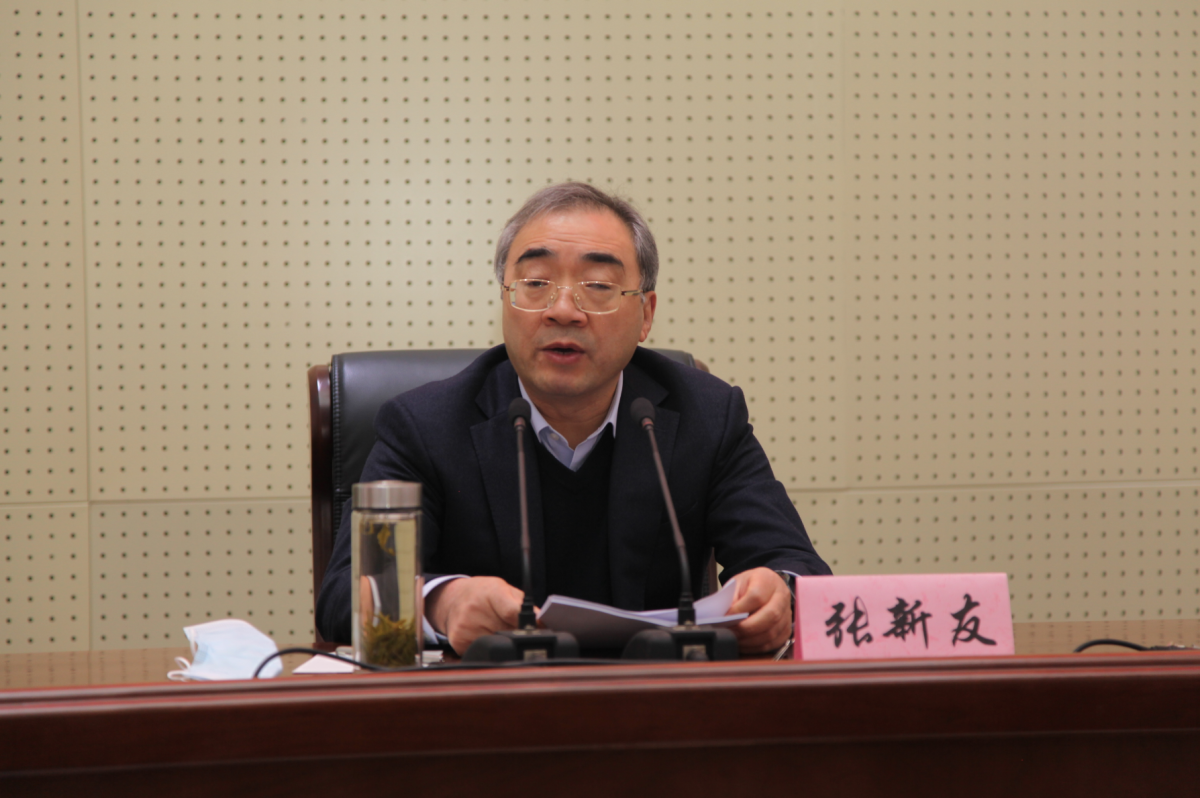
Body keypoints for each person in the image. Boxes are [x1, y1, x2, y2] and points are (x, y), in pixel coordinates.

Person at [316, 182, 831, 655]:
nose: (563, 309)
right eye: (536, 282)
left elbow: (799, 569)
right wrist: (443, 605)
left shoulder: (706, 416)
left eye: (598, 285)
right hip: (490, 709)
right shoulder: (424, 425)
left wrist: (779, 594)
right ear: (505, 300)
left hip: (659, 706)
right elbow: (343, 595)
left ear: (646, 314)